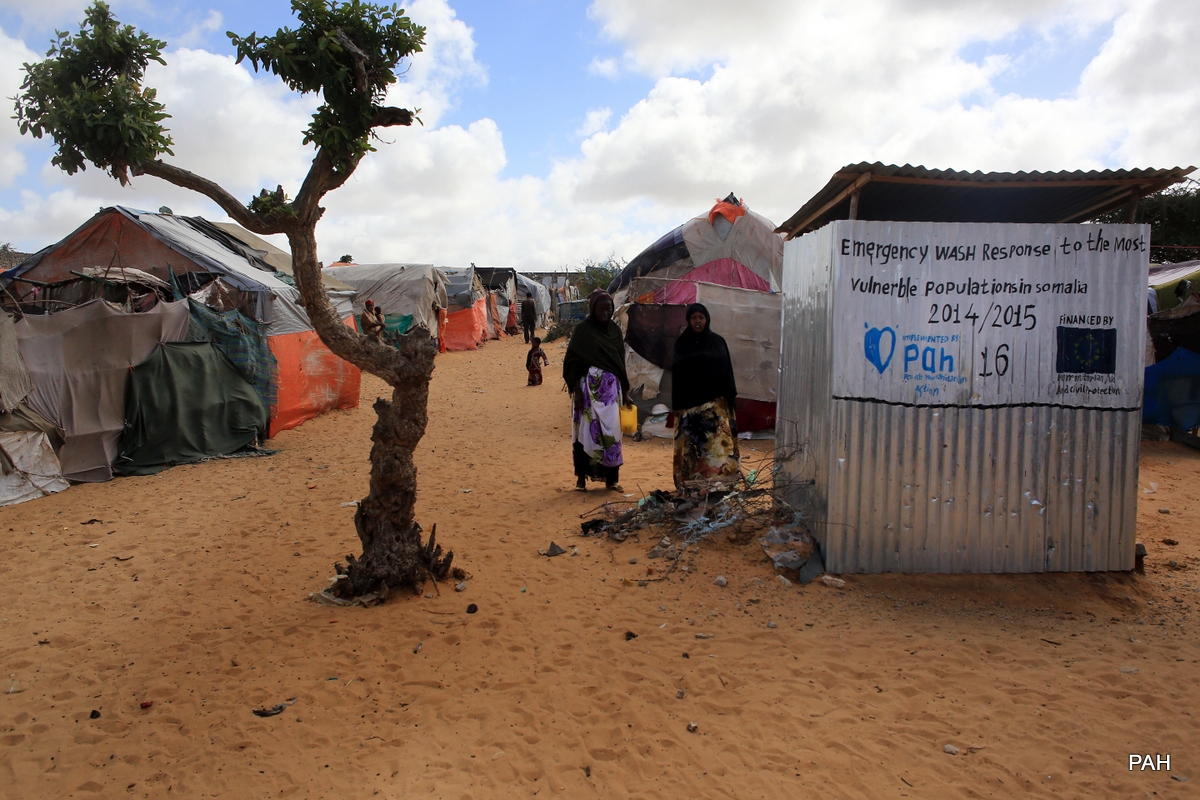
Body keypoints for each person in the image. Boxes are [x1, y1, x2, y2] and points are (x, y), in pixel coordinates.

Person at [562, 290, 629, 492]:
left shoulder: (615, 332)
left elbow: (620, 365)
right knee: (585, 434)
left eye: (609, 309)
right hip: (586, 393)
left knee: (611, 435)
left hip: (610, 396)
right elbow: (572, 362)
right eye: (602, 308)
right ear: (593, 309)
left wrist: (625, 393)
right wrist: (577, 392)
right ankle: (581, 480)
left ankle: (611, 481)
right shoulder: (583, 331)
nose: (606, 312)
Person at [670, 303, 740, 488]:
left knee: (718, 451)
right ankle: (693, 489)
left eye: (701, 317)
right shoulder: (682, 344)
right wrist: (679, 407)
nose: (698, 321)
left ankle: (719, 488)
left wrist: (728, 399)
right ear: (689, 321)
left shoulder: (718, 342)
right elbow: (677, 375)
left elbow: (727, 370)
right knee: (693, 453)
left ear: (707, 319)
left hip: (716, 409)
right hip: (691, 410)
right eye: (694, 318)